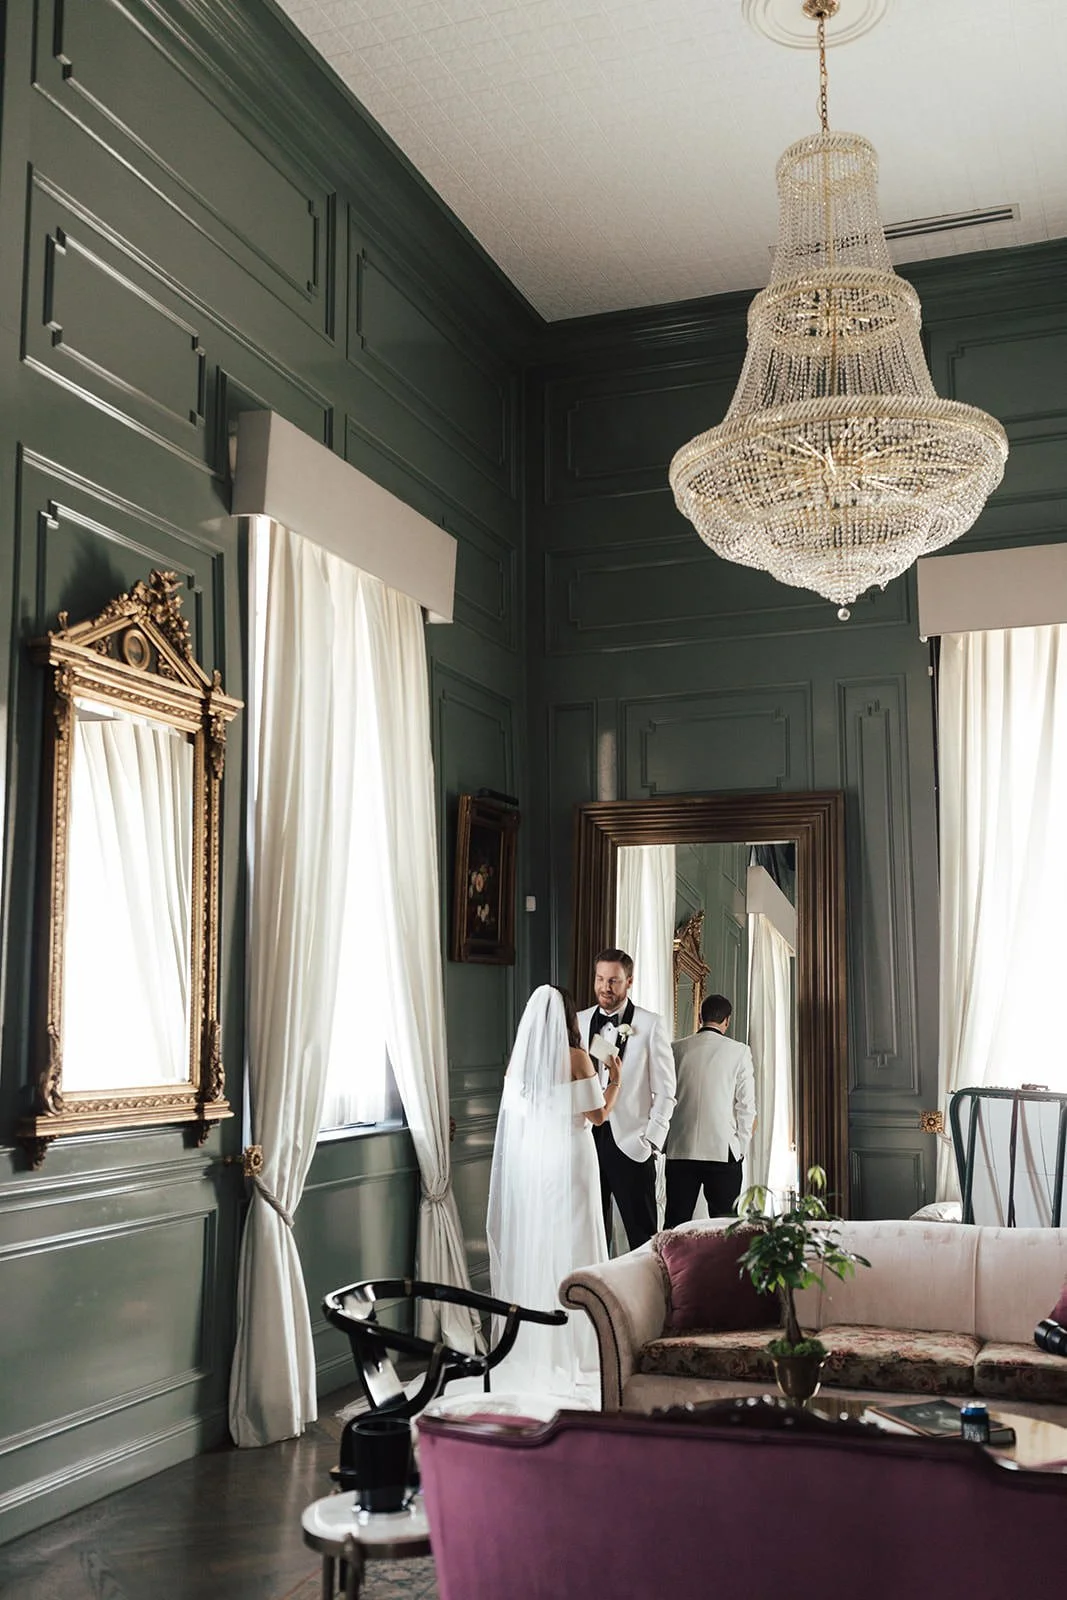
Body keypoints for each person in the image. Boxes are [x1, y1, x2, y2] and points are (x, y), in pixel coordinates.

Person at [486, 985, 620, 1394]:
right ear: (568, 1019)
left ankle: (539, 1344)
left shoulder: (519, 1063)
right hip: (573, 1158)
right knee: (578, 1239)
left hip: (537, 1161)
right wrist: (615, 1080)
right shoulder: (576, 1057)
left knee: (542, 1240)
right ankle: (582, 1346)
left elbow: (517, 1117)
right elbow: (598, 1116)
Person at [577, 948, 676, 1251]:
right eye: (600, 979)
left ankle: (649, 1283)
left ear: (629, 981)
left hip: (632, 1144)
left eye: (613, 981)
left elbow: (666, 1090)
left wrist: (650, 1140)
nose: (605, 987)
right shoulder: (580, 1021)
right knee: (589, 1233)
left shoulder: (650, 1024)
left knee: (642, 1238)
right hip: (585, 1140)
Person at [664, 993, 756, 1227]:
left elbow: (665, 1097)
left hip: (681, 1148)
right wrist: (740, 1147)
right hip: (722, 1150)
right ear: (727, 1020)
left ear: (700, 1016)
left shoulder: (676, 1049)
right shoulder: (740, 1051)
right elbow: (746, 1106)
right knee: (725, 1227)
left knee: (675, 1225)